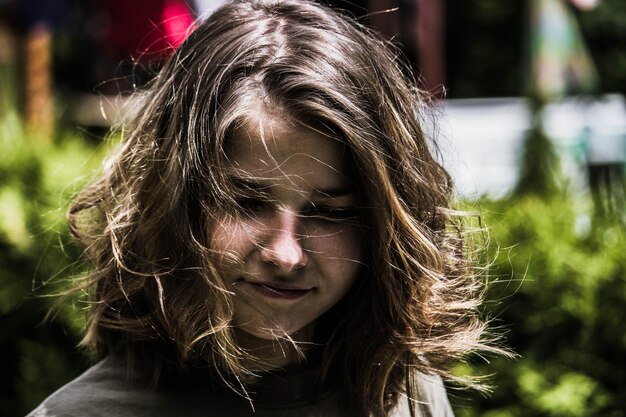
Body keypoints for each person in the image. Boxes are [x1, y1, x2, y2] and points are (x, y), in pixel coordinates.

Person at [27, 0, 497, 415]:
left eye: (331, 212)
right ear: (173, 202)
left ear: (384, 226)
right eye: (246, 203)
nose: (286, 255)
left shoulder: (403, 393)